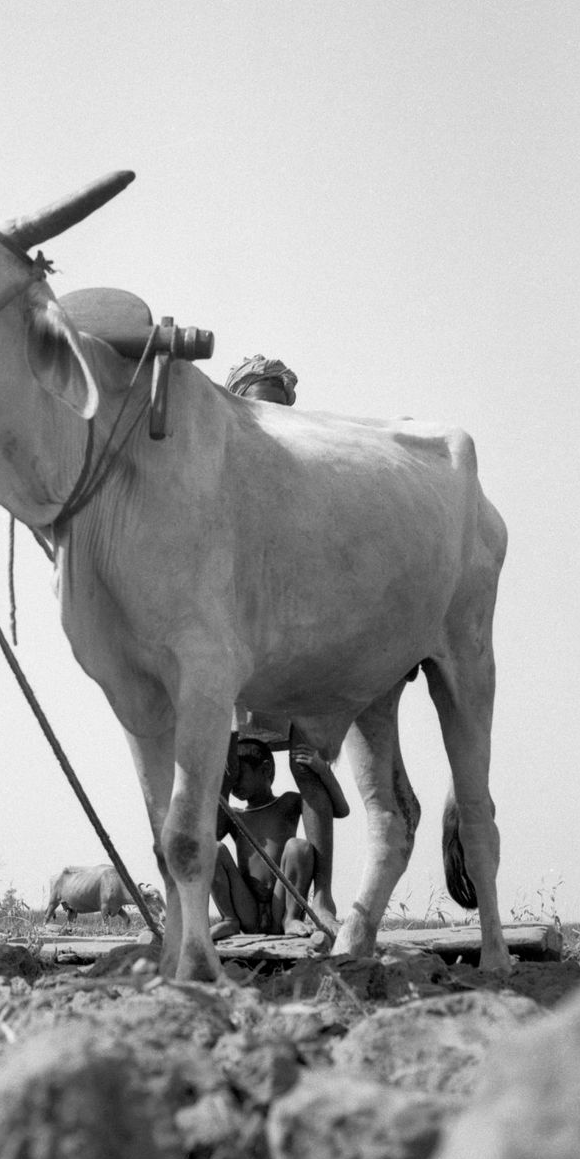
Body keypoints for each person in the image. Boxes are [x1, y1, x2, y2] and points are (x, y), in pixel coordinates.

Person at [221, 353, 352, 934]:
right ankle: (209, 898)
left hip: (303, 641)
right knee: (220, 770)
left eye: (279, 408)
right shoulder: (225, 474)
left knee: (307, 763)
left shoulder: (310, 476)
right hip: (245, 643)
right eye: (260, 406)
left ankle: (320, 896)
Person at [212, 738, 327, 939]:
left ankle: (292, 918)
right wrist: (224, 783)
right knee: (212, 849)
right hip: (248, 911)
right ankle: (229, 920)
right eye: (232, 779)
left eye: (239, 776)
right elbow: (211, 837)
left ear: (265, 770)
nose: (234, 785)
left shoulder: (288, 802)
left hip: (280, 907)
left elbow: (339, 810)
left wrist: (323, 771)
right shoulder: (235, 815)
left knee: (298, 847)